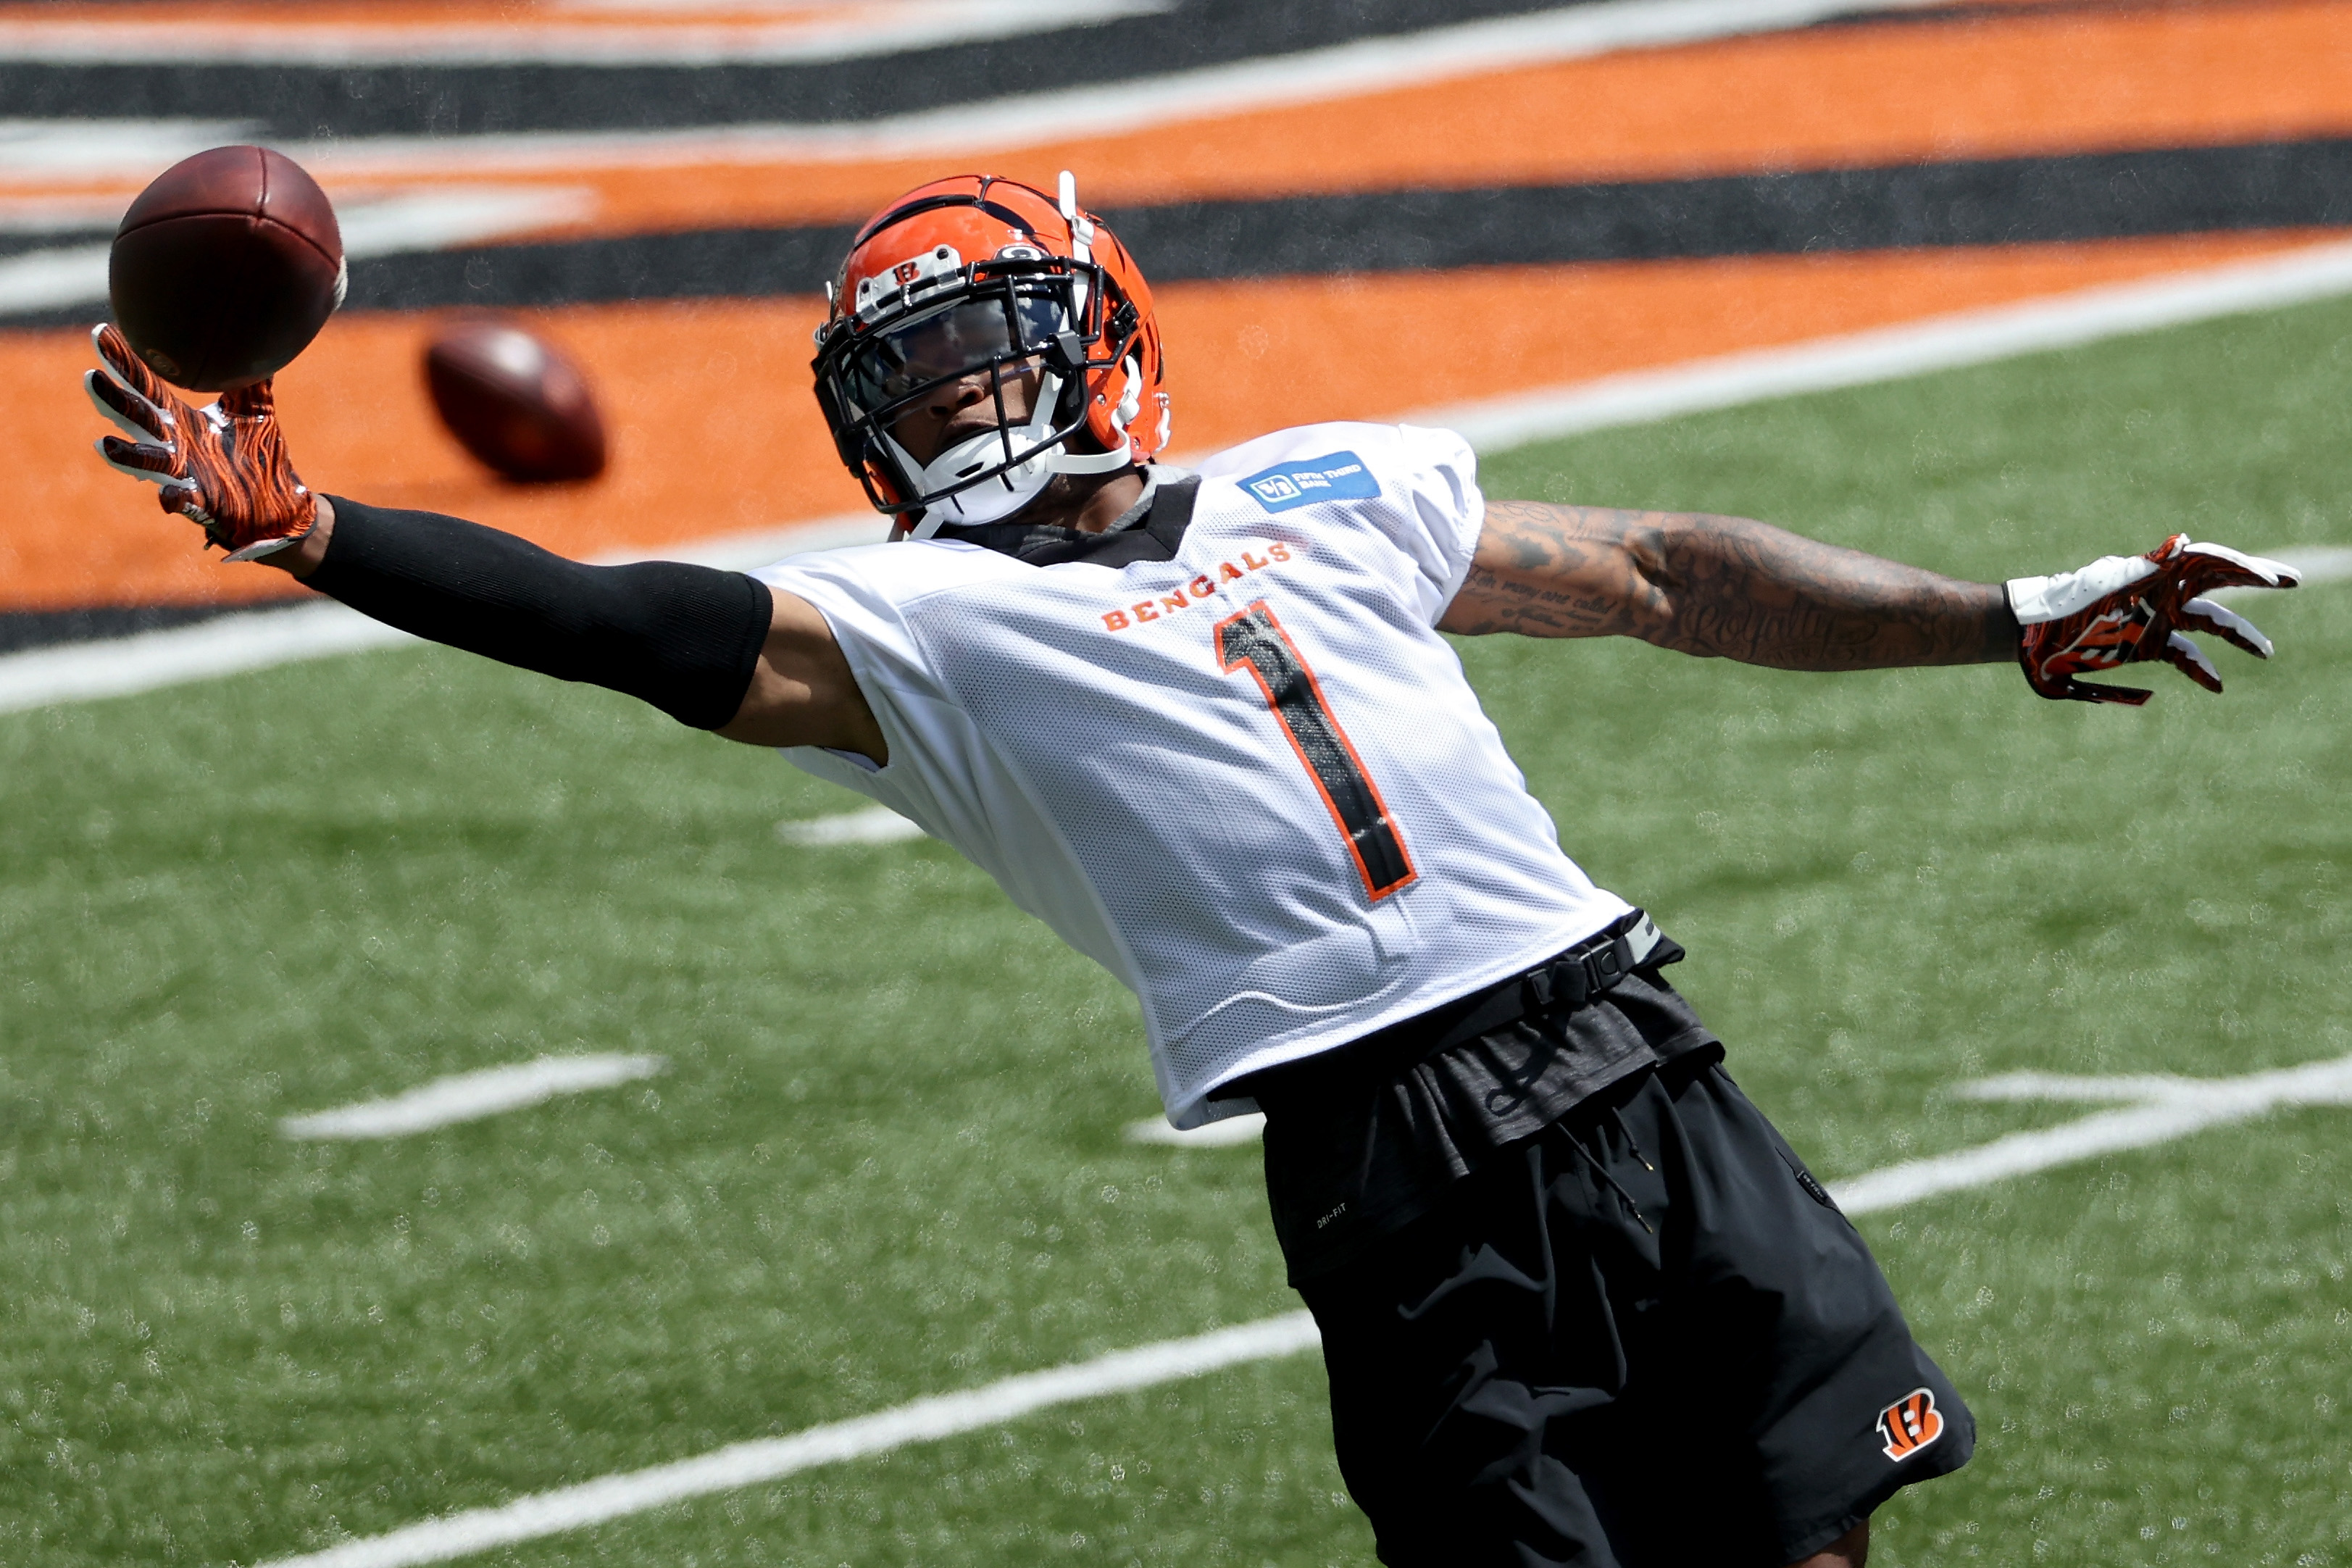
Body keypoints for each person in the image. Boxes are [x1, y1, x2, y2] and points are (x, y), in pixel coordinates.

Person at [85, 172, 2300, 1567]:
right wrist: (322, 533)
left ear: (1105, 337)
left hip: (1632, 1050)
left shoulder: (1332, 487)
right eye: (910, 385)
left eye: (982, 356)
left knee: (1813, 1521)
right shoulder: (922, 641)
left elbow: (1655, 567)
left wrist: (1992, 612)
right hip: (1394, 1150)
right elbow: (622, 619)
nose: (953, 410)